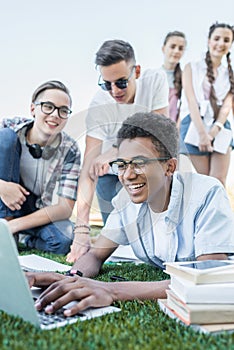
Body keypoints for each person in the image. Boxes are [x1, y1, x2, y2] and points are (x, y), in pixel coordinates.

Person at [27, 112, 234, 316]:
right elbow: (95, 255)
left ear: (169, 167)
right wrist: (70, 278)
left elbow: (206, 278)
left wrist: (110, 289)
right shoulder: (126, 202)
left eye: (139, 163)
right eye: (122, 164)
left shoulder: (206, 194)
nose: (128, 175)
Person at [67, 39, 169, 262]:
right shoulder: (99, 105)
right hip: (111, 176)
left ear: (137, 71)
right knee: (123, 241)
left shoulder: (155, 80)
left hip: (146, 170)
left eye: (121, 82)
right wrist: (82, 230)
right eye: (107, 84)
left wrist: (115, 151)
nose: (114, 91)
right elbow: (89, 169)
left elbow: (161, 133)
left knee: (156, 241)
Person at [0, 80, 81, 254]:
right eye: (48, 106)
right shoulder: (8, 127)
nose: (55, 115)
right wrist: (2, 186)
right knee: (5, 138)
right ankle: (4, 230)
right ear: (32, 109)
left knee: (64, 239)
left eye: (63, 110)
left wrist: (12, 226)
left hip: (36, 208)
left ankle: (20, 235)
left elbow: (65, 207)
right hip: (3, 199)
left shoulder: (70, 149)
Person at [179, 22, 234, 186]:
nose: (220, 43)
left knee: (218, 181)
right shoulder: (191, 68)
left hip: (220, 126)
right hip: (194, 125)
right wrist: (203, 135)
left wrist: (213, 133)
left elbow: (225, 108)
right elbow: (191, 101)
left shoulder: (229, 74)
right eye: (217, 38)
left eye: (226, 40)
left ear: (230, 44)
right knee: (206, 182)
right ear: (209, 40)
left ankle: (222, 212)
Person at [161, 31, 186, 123]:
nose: (176, 51)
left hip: (175, 130)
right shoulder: (154, 76)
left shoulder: (186, 78)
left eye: (180, 48)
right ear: (163, 48)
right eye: (172, 47)